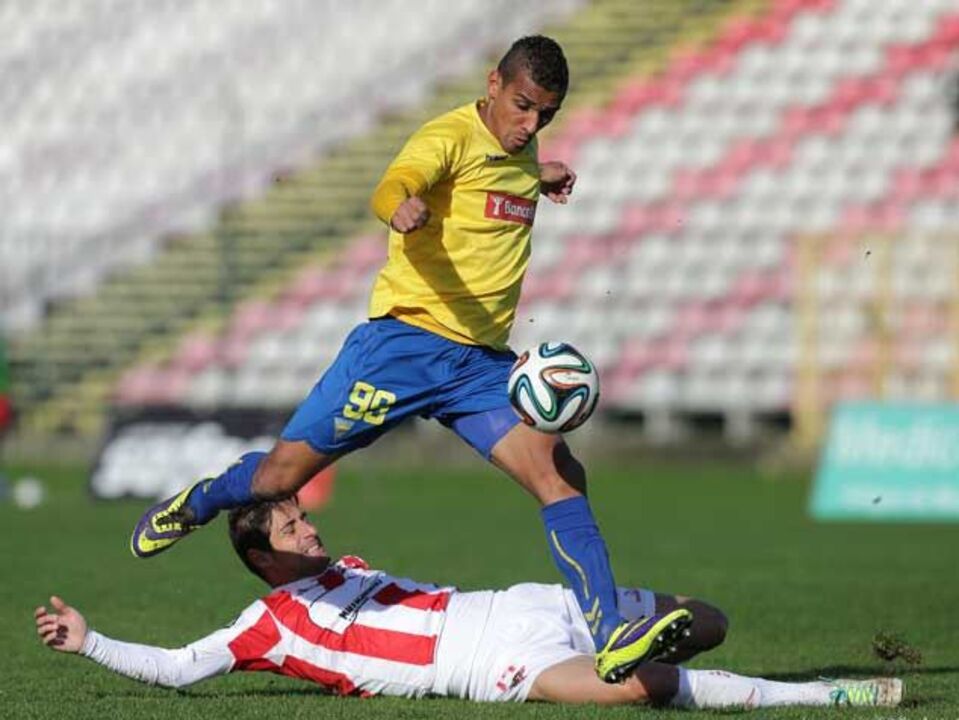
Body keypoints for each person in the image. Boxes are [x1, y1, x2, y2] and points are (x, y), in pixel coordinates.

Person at [130, 35, 691, 683]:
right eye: (521, 106)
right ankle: (199, 501)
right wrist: (399, 207)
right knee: (278, 479)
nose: (529, 124)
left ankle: (609, 633)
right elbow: (397, 181)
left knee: (558, 474)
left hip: (478, 365)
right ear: (491, 84)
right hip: (403, 347)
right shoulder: (445, 137)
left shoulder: (518, 149)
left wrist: (541, 172)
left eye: (544, 115)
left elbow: (495, 176)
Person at [52, 499, 902, 708]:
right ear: (260, 554)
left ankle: (650, 635)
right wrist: (90, 640)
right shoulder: (263, 627)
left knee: (708, 616)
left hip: (519, 601)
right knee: (640, 693)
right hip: (490, 665)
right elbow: (174, 669)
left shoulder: (343, 564)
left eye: (303, 515)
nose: (310, 529)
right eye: (291, 524)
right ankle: (833, 695)